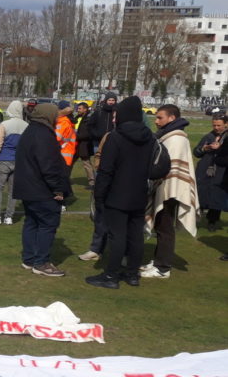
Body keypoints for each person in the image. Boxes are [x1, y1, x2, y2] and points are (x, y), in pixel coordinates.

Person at [85, 97, 155, 289]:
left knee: (118, 236)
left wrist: (100, 194)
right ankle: (132, 274)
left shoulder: (116, 137)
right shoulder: (149, 136)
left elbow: (106, 170)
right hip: (139, 192)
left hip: (117, 193)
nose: (114, 119)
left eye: (117, 115)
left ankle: (111, 276)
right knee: (135, 235)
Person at [142, 104, 199, 279]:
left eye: (160, 117)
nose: (156, 121)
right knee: (161, 225)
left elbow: (172, 169)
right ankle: (159, 260)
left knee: (165, 227)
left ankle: (163, 268)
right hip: (166, 186)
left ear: (172, 118)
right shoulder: (168, 135)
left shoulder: (176, 138)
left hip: (171, 189)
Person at [12, 103, 69, 277]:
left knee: (32, 222)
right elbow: (48, 165)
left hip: (28, 187)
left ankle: (29, 259)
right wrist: (58, 189)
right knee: (47, 224)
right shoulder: (44, 134)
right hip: (41, 188)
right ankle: (41, 262)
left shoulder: (31, 130)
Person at [0, 99, 27, 225]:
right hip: (18, 161)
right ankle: (9, 217)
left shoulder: (5, 124)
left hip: (3, 159)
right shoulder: (26, 126)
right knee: (13, 191)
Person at [193, 114, 227, 231]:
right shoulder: (208, 136)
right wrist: (204, 149)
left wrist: (220, 148)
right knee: (202, 192)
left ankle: (212, 221)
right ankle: (198, 215)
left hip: (221, 171)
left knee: (216, 195)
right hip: (205, 171)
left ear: (226, 124)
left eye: (219, 125)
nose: (216, 128)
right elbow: (196, 152)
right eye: (214, 125)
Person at [73, 102, 95, 188]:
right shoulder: (77, 117)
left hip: (84, 145)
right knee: (70, 163)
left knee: (86, 164)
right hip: (76, 144)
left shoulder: (89, 119)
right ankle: (64, 179)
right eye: (78, 108)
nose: (78, 110)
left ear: (85, 109)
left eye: (80, 109)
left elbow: (87, 133)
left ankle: (92, 183)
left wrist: (75, 136)